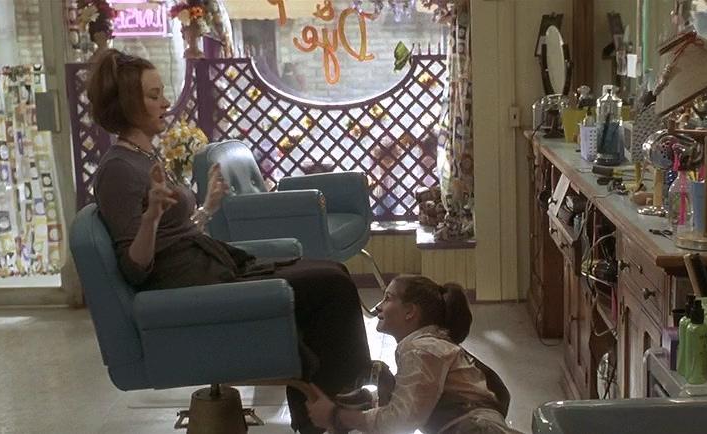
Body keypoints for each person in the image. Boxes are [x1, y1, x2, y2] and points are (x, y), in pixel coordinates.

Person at [85, 49, 371, 434]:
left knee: (333, 273)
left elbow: (175, 234)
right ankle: (333, 406)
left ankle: (331, 399)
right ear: (127, 104)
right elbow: (134, 268)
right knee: (331, 286)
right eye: (154, 96)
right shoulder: (118, 170)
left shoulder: (142, 156)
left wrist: (205, 210)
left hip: (206, 269)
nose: (166, 103)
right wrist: (150, 218)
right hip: (193, 288)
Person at [307, 275, 520, 434]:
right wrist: (370, 400)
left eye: (388, 298)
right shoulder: (429, 345)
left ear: (410, 311)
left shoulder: (422, 350)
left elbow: (401, 421)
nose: (379, 306)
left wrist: (336, 416)